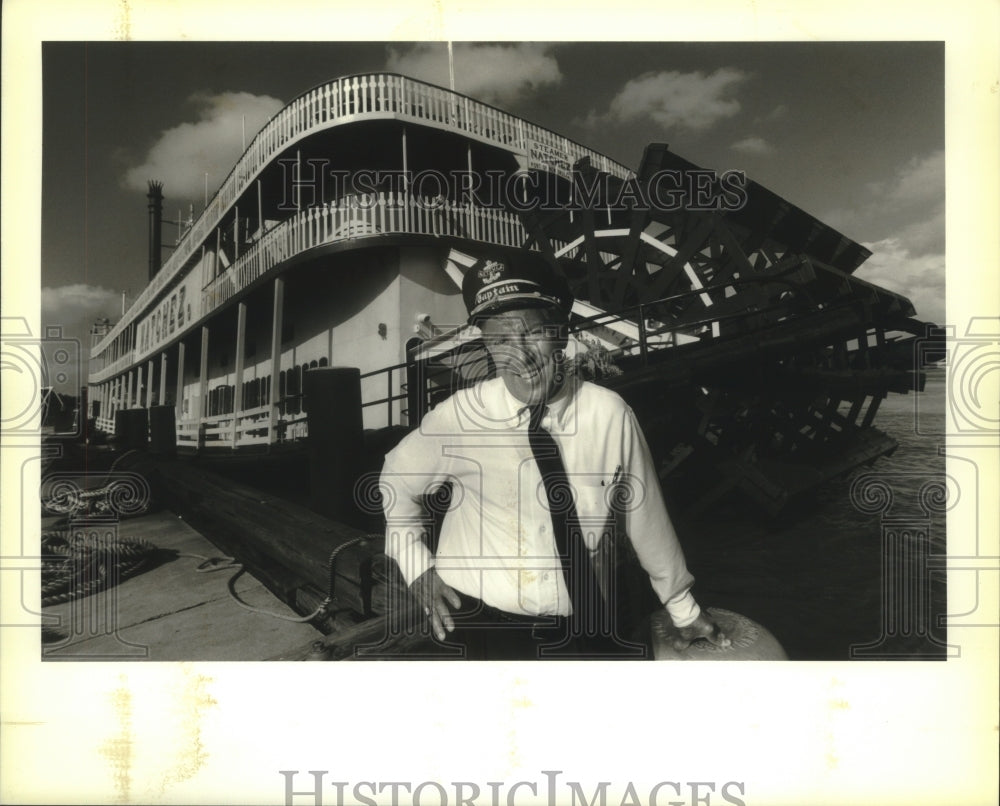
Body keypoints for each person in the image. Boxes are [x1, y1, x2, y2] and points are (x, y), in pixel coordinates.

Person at [380, 250, 729, 659]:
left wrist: (683, 609)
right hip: (478, 624)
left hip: (586, 624)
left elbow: (644, 518)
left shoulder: (609, 414)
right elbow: (395, 481)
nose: (519, 355)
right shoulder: (458, 416)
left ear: (560, 333)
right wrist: (415, 563)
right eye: (500, 341)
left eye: (532, 334)